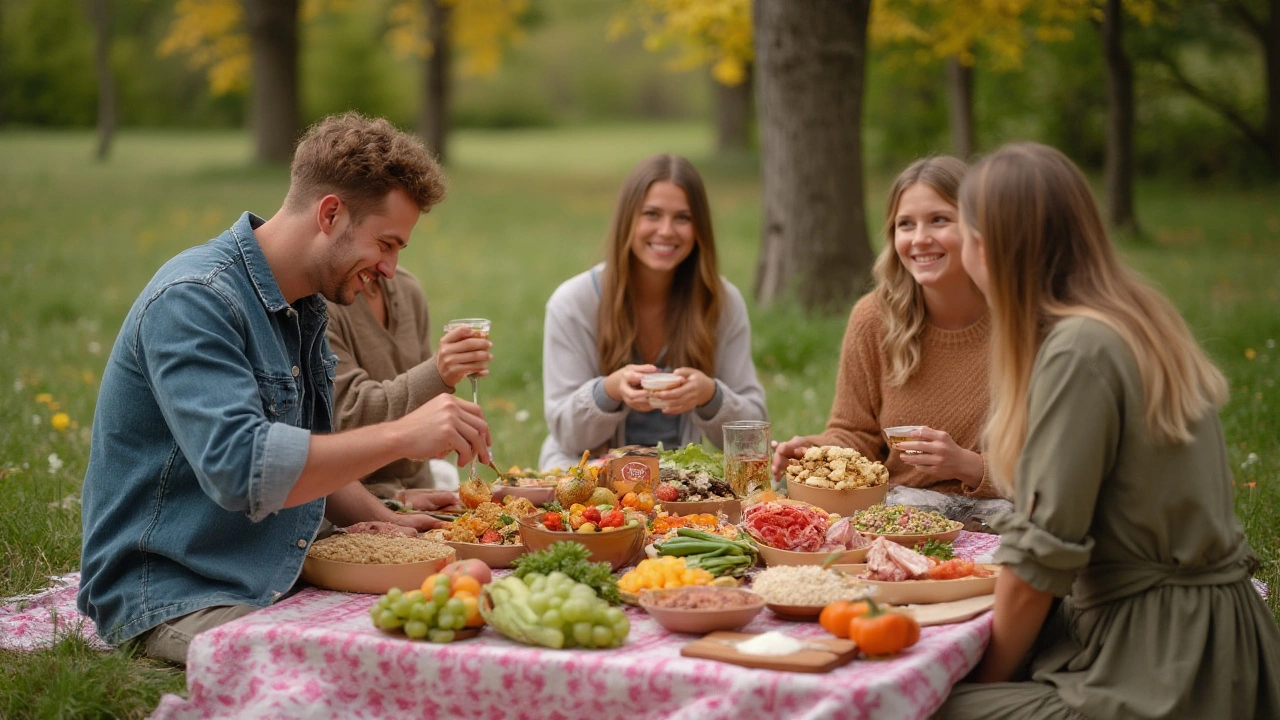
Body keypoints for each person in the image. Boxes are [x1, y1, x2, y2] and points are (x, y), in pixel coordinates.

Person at [77, 112, 492, 665]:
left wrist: (388, 521)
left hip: (271, 567)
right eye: (386, 243)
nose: (392, 269)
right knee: (356, 669)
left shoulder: (305, 306)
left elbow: (304, 449)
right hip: (176, 591)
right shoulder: (194, 300)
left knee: (442, 637)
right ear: (330, 213)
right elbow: (243, 468)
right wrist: (400, 436)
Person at [937, 142, 1280, 719]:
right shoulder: (1135, 314)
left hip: (1167, 670)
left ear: (986, 248)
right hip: (1219, 639)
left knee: (918, 703)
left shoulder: (1078, 351)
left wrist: (979, 679)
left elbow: (1039, 567)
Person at [771, 156, 1006, 522]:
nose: (919, 239)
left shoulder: (1020, 322)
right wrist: (814, 451)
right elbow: (855, 435)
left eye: (939, 220)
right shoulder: (873, 319)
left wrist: (969, 465)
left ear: (978, 228)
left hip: (1002, 519)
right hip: (898, 519)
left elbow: (1055, 464)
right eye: (905, 225)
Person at [539, 153, 767, 470]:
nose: (666, 231)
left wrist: (710, 395)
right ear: (628, 219)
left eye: (683, 218)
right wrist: (609, 390)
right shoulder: (573, 303)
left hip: (683, 483)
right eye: (652, 214)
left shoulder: (721, 301)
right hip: (588, 485)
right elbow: (566, 434)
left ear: (700, 227)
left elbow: (754, 434)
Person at [325, 266, 493, 498]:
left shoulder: (408, 289)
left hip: (424, 491)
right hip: (359, 504)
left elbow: (422, 411)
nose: (390, 268)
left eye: (401, 246)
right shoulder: (320, 303)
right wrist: (437, 373)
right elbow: (346, 415)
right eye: (384, 243)